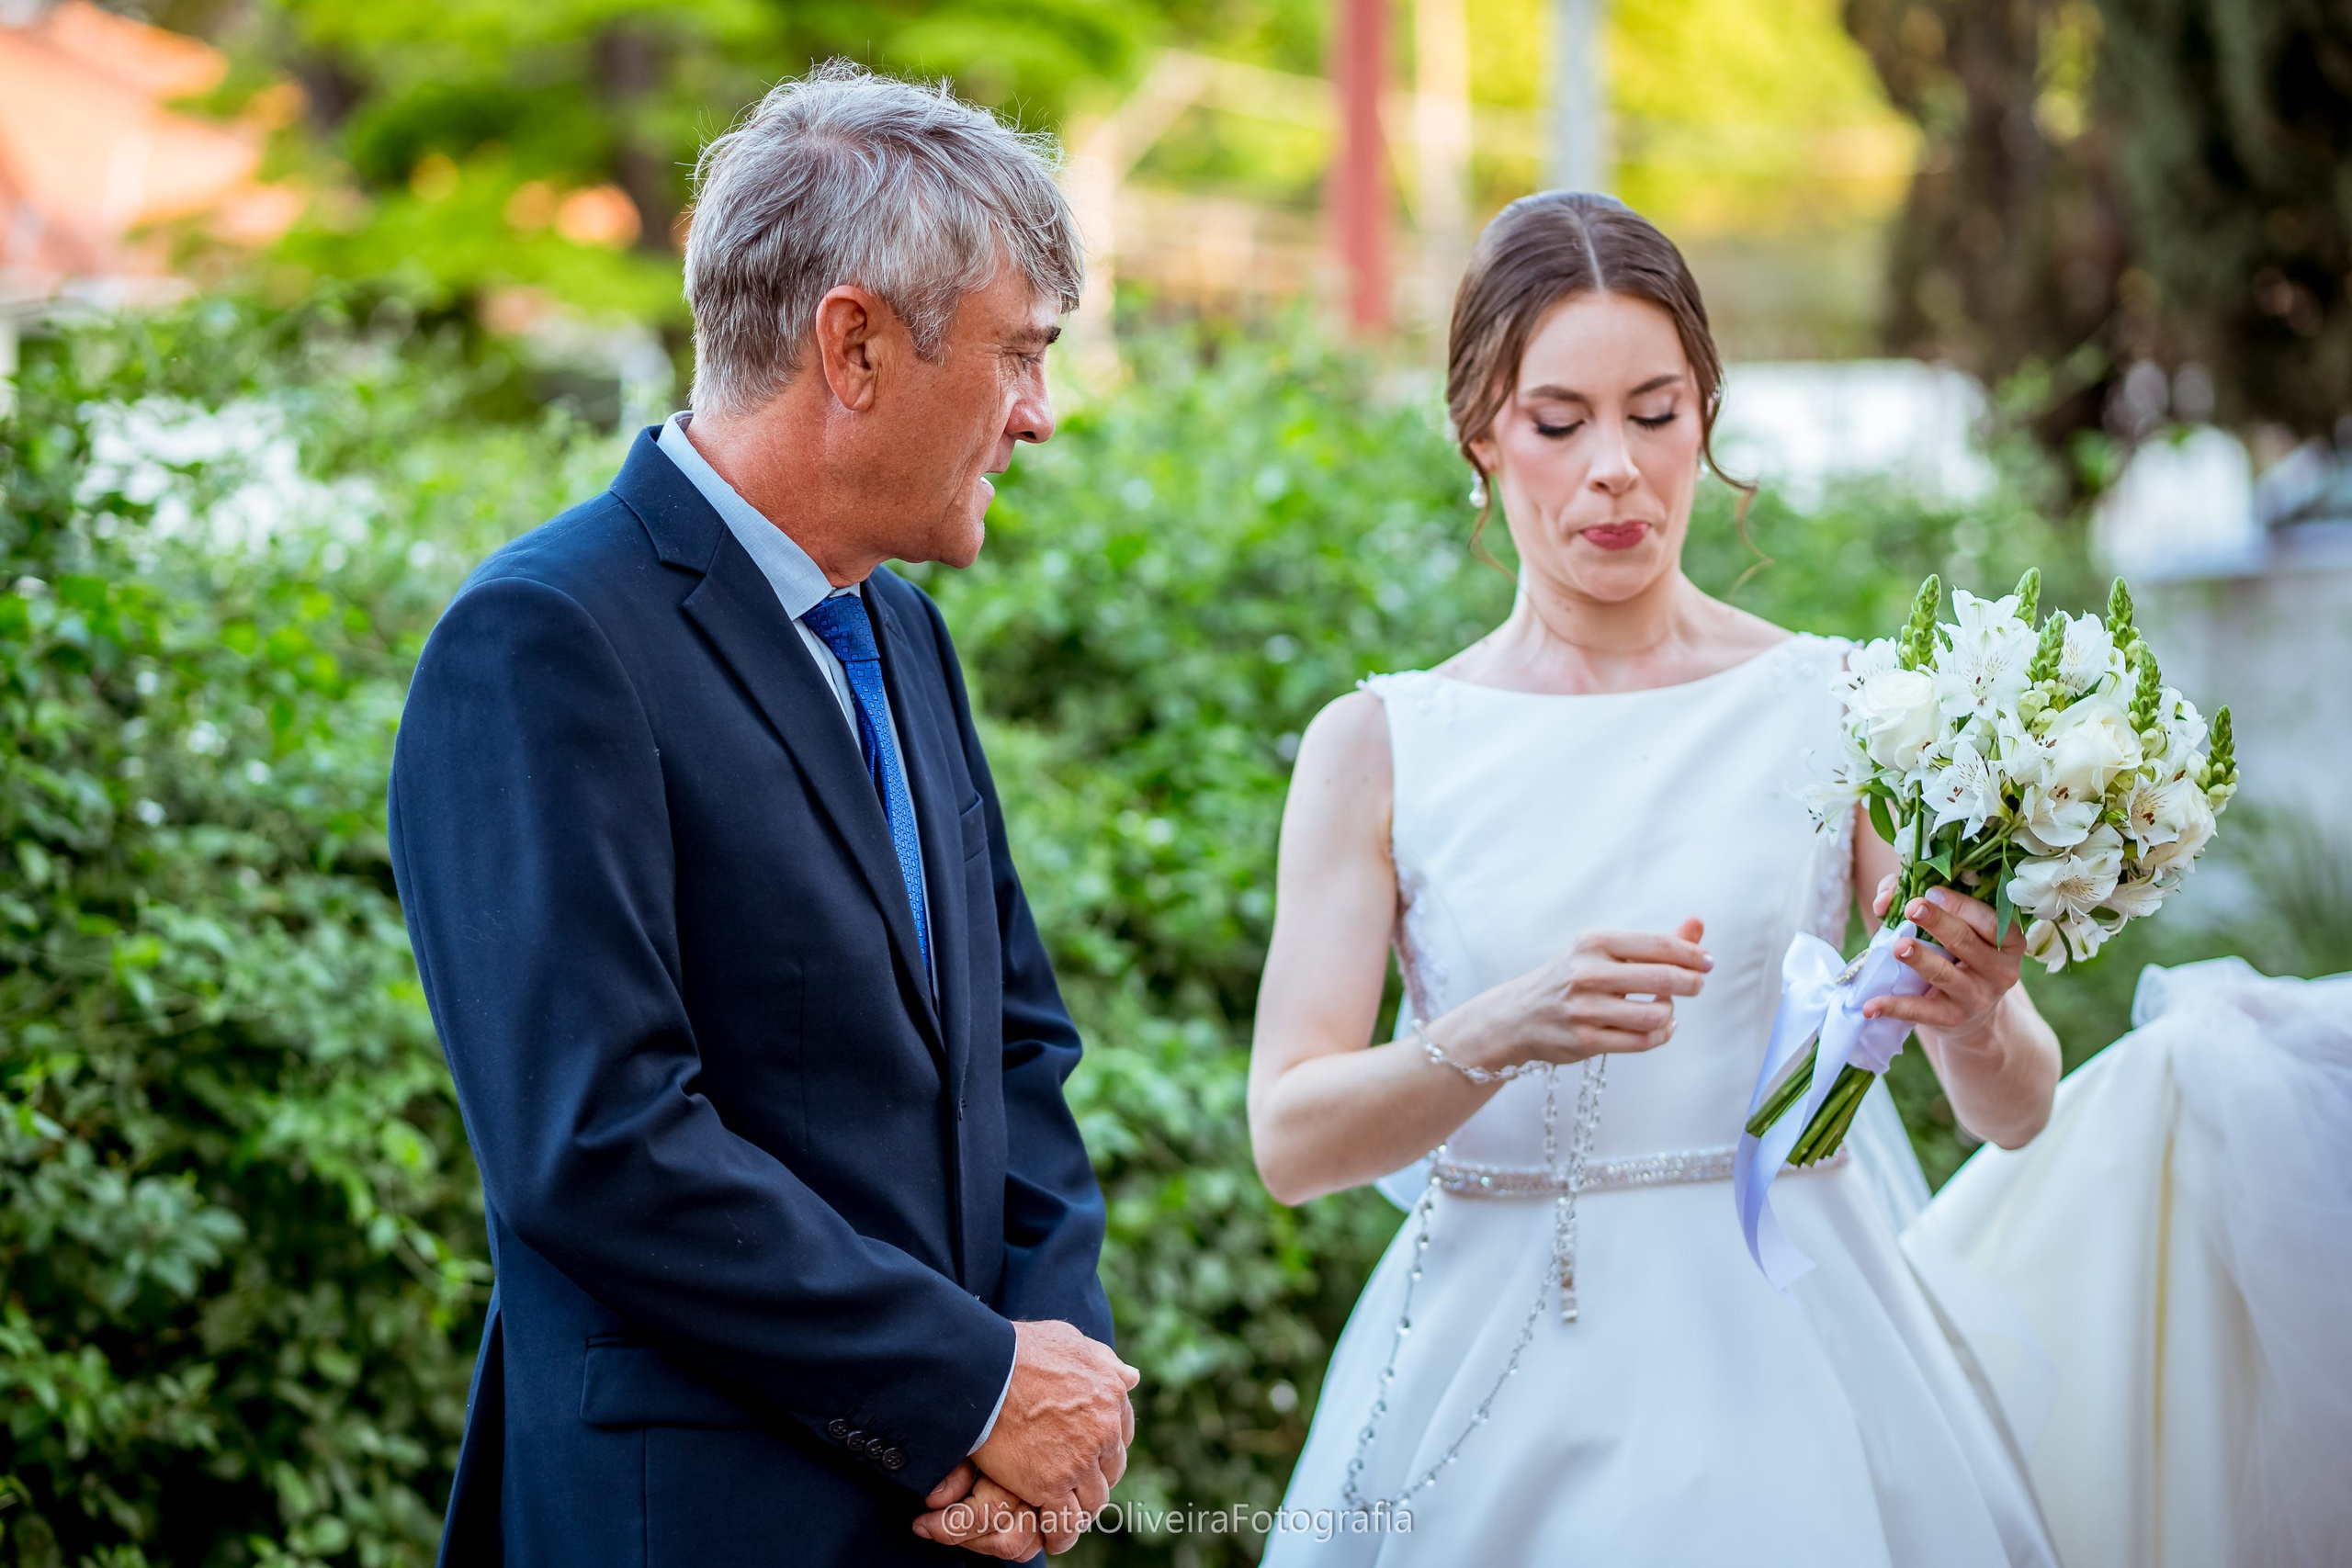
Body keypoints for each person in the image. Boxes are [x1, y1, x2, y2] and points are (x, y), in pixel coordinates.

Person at [1248, 191, 2063, 1564]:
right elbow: (1290, 1140)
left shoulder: (1847, 706)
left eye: (1657, 412)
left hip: (1796, 1352)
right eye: (1561, 423)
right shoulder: (1381, 745)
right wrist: (1497, 1030)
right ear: (1483, 435)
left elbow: (2019, 1108)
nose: (1614, 468)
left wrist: (1978, 1012)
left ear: (1707, 421)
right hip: (1495, 1363)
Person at [390, 63, 1132, 1567]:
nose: (1038, 417)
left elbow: (1016, 1048)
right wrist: (970, 1385)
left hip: (967, 1517)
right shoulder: (543, 640)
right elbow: (596, 1141)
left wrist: (1058, 1385)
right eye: (1018, 356)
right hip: (702, 1524)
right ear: (852, 345)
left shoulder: (903, 632)